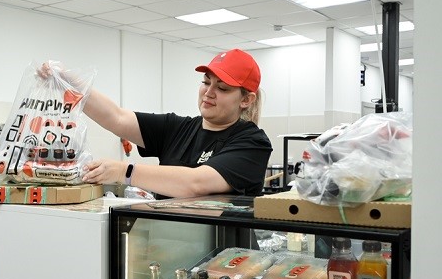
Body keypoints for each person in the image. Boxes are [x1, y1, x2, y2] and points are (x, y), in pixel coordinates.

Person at [43, 49, 272, 198]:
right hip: (170, 244)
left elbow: (197, 183)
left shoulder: (252, 143)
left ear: (246, 100)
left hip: (225, 252)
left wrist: (125, 171)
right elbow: (117, 118)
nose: (209, 92)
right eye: (206, 82)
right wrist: (67, 82)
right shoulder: (178, 128)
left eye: (222, 88)